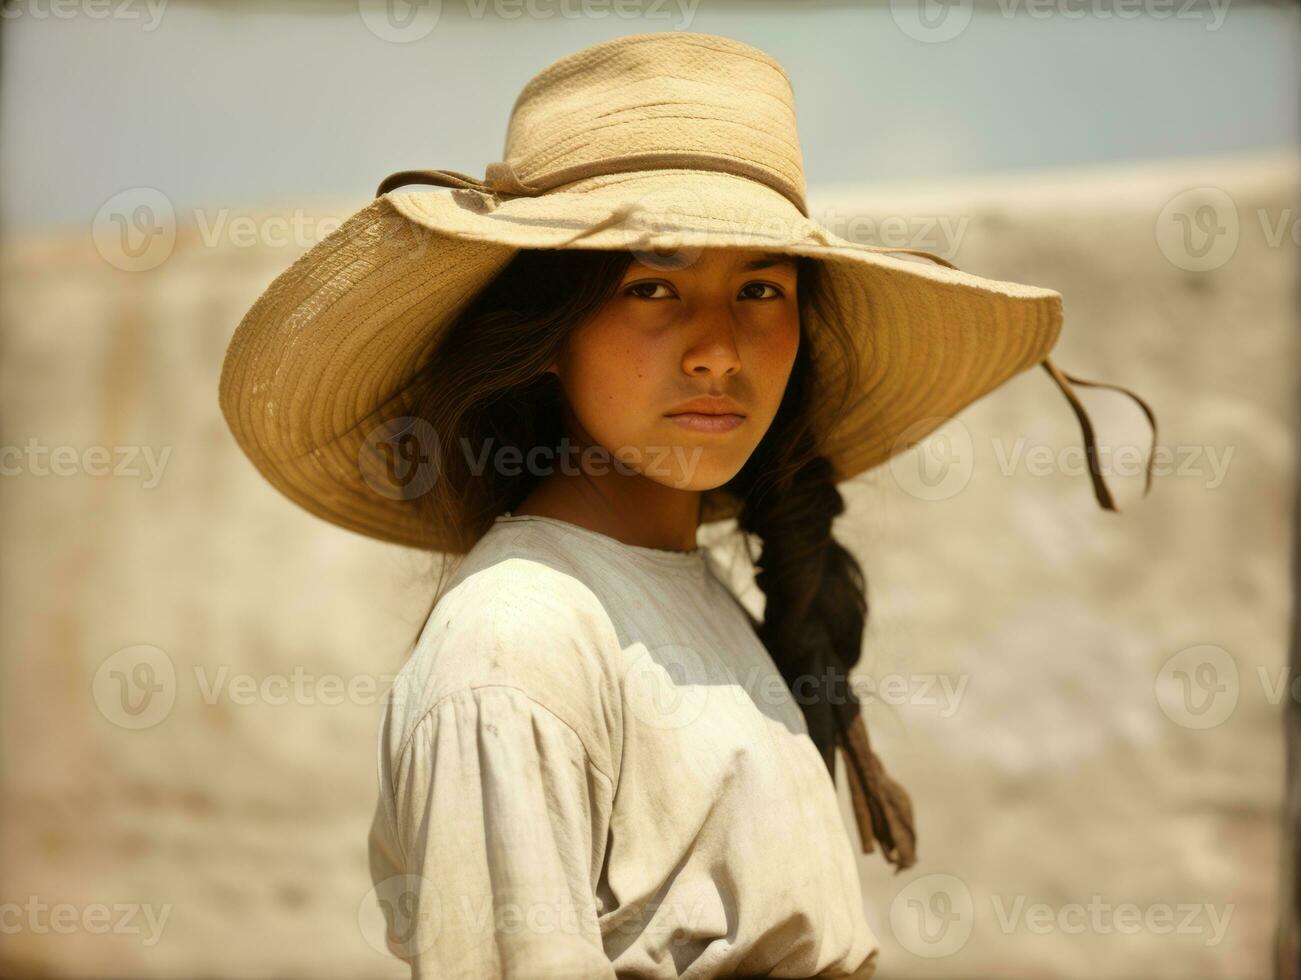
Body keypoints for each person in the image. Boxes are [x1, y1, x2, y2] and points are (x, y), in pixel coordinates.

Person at [218, 31, 1156, 980]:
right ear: (547, 333)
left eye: (759, 287)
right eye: (651, 286)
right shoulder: (515, 647)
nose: (719, 349)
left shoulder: (691, 603)